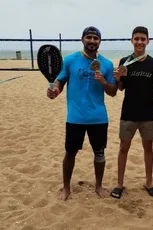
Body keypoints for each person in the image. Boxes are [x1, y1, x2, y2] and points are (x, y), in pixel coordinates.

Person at [46, 26, 117, 201]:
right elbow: (60, 81)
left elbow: (113, 91)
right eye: (89, 37)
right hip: (75, 117)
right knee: (70, 153)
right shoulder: (70, 60)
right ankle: (66, 188)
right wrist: (55, 90)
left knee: (99, 153)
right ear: (82, 39)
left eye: (96, 38)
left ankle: (99, 185)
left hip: (98, 117)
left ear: (100, 41)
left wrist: (103, 82)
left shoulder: (107, 64)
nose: (92, 41)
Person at [110, 26, 153, 199]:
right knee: (123, 148)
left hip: (148, 113)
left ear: (148, 41)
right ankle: (119, 184)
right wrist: (117, 79)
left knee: (148, 148)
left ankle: (149, 183)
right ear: (131, 40)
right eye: (136, 38)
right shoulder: (125, 61)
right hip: (128, 113)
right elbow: (121, 88)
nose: (139, 42)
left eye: (142, 39)